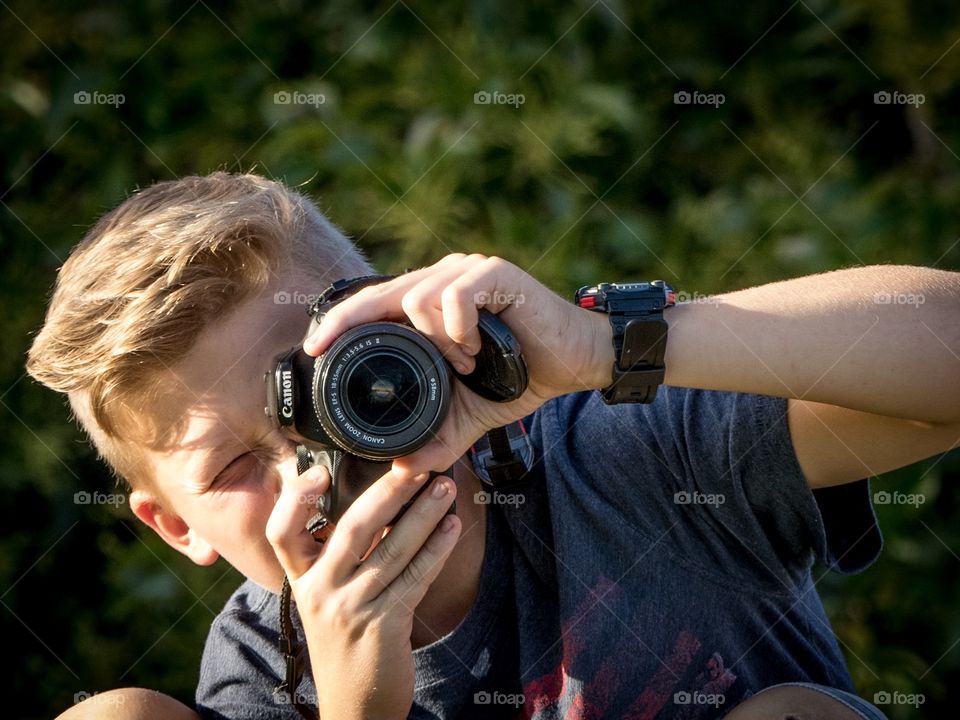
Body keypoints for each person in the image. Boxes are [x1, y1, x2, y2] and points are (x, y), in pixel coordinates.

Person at [28, 172, 959, 720]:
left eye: (332, 392)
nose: (309, 467)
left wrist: (607, 350)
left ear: (401, 329)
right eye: (233, 469)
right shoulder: (264, 669)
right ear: (172, 526)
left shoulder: (616, 449)